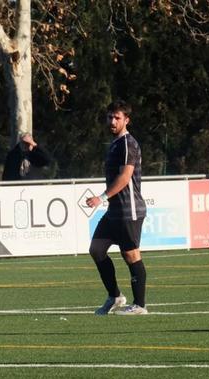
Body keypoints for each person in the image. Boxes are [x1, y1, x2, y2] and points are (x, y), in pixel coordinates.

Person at [85, 99, 148, 315]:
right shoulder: (114, 144)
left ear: (126, 120)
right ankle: (115, 296)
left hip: (128, 210)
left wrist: (101, 197)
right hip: (114, 211)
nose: (112, 121)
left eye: (117, 117)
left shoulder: (128, 144)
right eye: (109, 117)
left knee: (131, 255)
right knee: (96, 250)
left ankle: (139, 305)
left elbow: (125, 177)